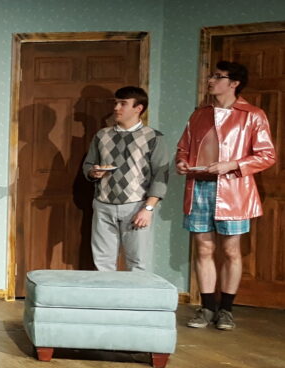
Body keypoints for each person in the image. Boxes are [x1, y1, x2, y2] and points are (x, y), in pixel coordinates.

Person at [175, 61, 277, 331]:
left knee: (231, 250)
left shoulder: (252, 115)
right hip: (199, 187)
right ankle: (207, 307)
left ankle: (226, 310)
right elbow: (183, 148)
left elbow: (267, 156)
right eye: (211, 75)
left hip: (233, 191)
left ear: (234, 83)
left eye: (218, 76)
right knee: (203, 249)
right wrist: (182, 162)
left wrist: (232, 165)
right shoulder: (199, 114)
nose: (211, 80)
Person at [81, 86, 171, 272]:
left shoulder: (153, 137)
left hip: (136, 205)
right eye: (116, 103)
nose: (116, 108)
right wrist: (93, 172)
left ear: (138, 108)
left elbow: (160, 175)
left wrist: (148, 208)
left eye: (123, 104)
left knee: (137, 263)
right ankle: (107, 293)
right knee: (102, 263)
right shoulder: (102, 135)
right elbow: (88, 164)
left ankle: (136, 293)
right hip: (103, 204)